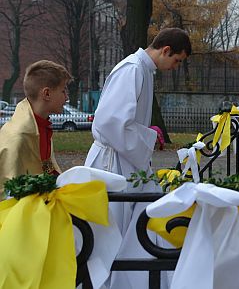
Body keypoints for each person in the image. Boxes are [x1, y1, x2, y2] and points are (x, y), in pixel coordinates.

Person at [84, 27, 190, 288]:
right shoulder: (132, 69)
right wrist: (148, 138)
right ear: (165, 50)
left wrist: (145, 136)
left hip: (125, 157)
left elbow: (123, 121)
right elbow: (109, 123)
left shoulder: (143, 69)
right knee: (111, 231)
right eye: (177, 60)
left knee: (136, 223)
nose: (176, 67)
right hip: (112, 162)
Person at [0, 60, 70, 197]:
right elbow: (7, 193)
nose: (67, 97)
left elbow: (47, 169)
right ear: (47, 94)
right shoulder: (19, 137)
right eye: (63, 91)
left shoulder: (41, 125)